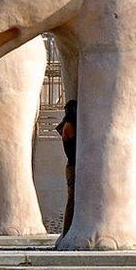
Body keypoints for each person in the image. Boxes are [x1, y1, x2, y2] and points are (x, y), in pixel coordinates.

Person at [55, 100, 77, 235]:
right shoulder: (69, 126)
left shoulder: (68, 125)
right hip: (73, 166)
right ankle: (67, 230)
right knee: (72, 200)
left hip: (72, 165)